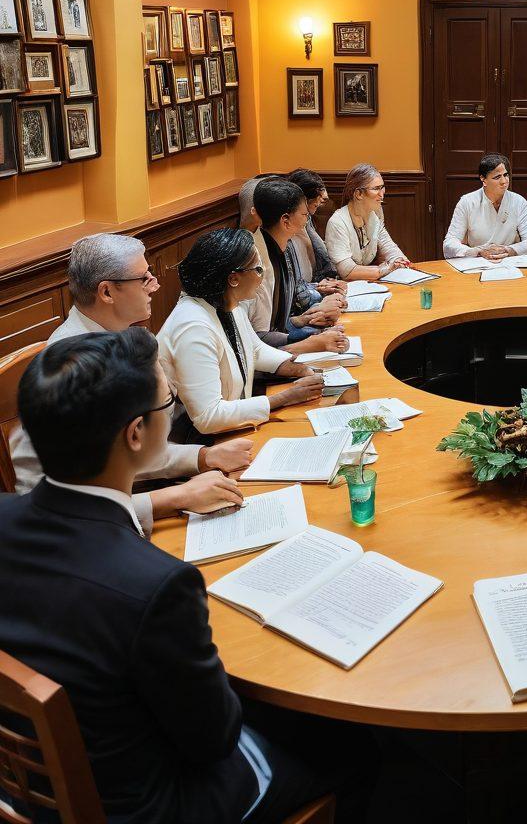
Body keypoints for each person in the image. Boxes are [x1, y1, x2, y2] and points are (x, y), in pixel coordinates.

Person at [0, 329, 375, 824]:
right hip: (154, 806)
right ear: (136, 434)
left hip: (29, 786)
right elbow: (214, 739)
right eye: (168, 404)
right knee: (356, 745)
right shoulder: (155, 585)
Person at [9, 233, 250, 533]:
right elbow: (58, 508)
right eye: (144, 278)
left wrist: (202, 457)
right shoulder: (75, 367)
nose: (155, 285)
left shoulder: (123, 337)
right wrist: (177, 496)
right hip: (79, 530)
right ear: (107, 292)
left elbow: (133, 445)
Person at [158, 228, 324, 439]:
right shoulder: (192, 326)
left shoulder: (228, 303)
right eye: (258, 269)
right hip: (195, 442)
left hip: (230, 429)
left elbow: (254, 349)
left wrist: (299, 368)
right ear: (234, 279)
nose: (263, 276)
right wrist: (284, 398)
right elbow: (208, 417)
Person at [248, 177, 349, 352]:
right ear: (285, 220)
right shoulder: (258, 264)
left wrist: (303, 319)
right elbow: (258, 337)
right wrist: (313, 338)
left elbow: (276, 324)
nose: (307, 220)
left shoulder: (279, 246)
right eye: (304, 215)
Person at [442, 153, 527, 261]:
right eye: (497, 177)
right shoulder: (467, 202)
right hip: (477, 262)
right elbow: (449, 243)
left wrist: (507, 250)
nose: (504, 181)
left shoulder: (519, 202)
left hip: (509, 261)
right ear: (483, 179)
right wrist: (477, 251)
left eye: (506, 175)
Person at [325, 163, 412, 281]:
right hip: (343, 287)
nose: (382, 194)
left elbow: (388, 246)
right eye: (376, 188)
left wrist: (399, 260)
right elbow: (347, 271)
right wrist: (385, 269)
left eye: (382, 187)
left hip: (367, 283)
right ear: (358, 194)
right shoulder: (337, 222)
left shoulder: (375, 214)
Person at [288, 168, 347, 292]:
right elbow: (294, 289)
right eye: (318, 193)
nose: (323, 198)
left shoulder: (307, 220)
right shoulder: (287, 233)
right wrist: (318, 288)